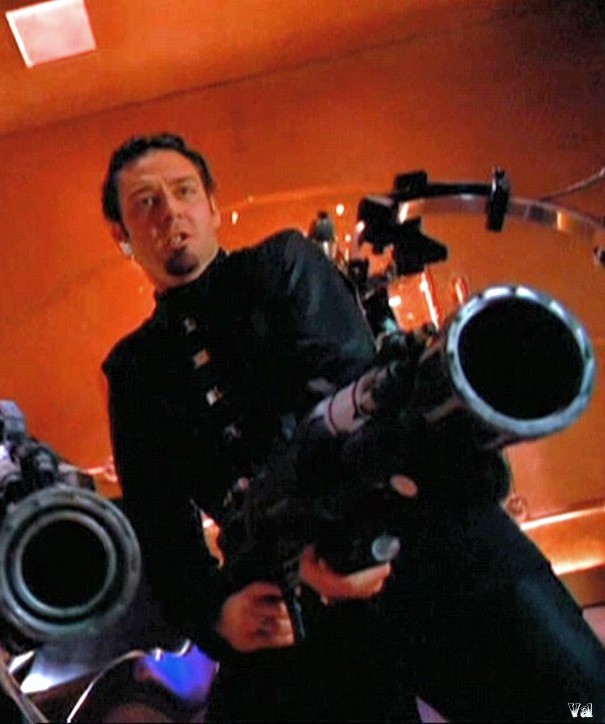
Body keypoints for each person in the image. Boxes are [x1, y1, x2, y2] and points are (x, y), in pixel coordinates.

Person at [101, 132, 605, 721]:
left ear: (212, 205)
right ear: (122, 235)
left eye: (183, 191)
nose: (169, 212)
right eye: (145, 202)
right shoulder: (132, 371)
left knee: (578, 706)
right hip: (292, 615)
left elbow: (353, 395)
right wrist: (219, 615)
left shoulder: (283, 262)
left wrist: (324, 543)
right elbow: (162, 539)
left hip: (424, 537)